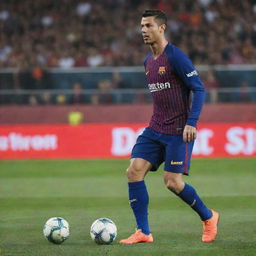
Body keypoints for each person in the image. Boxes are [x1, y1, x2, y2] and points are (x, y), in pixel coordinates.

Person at [119, 10, 219, 245]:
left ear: (161, 28)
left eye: (149, 26)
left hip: (178, 131)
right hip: (155, 128)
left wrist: (191, 122)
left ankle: (208, 217)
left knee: (172, 183)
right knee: (133, 171)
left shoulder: (176, 56)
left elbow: (199, 88)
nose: (144, 30)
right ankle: (143, 231)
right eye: (142, 26)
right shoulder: (148, 62)